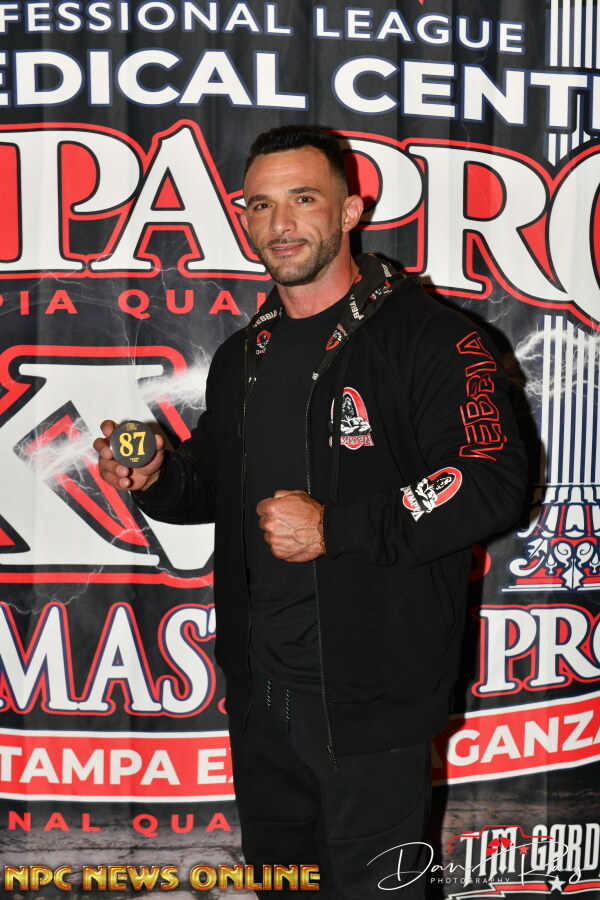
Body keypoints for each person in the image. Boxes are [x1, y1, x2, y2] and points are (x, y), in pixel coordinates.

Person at [95, 125, 527, 898]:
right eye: (260, 205)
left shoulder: (432, 338)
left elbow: (490, 478)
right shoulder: (244, 355)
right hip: (263, 697)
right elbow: (212, 490)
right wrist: (157, 477)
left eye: (303, 199)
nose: (280, 224)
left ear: (352, 210)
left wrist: (335, 528)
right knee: (283, 886)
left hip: (372, 705)